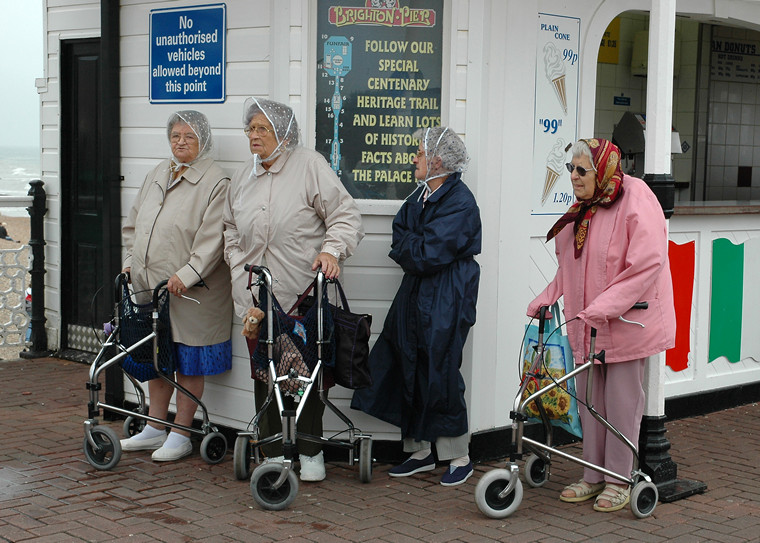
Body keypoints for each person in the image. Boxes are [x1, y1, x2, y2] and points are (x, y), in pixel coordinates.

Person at [527, 138, 676, 512]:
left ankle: (619, 480)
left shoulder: (635, 197)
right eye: (570, 170)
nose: (573, 177)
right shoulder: (583, 210)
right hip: (588, 325)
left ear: (604, 170)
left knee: (621, 402)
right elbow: (571, 268)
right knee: (589, 399)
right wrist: (549, 295)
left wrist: (604, 306)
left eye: (581, 170)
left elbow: (647, 262)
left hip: (626, 322)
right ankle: (592, 475)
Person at [223, 97, 364, 482]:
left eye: (262, 129)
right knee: (264, 371)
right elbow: (230, 228)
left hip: (302, 289)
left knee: (308, 371)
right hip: (258, 295)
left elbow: (345, 214)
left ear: (283, 133)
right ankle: (270, 450)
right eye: (250, 128)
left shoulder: (309, 166)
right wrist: (238, 265)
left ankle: (311, 449)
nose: (253, 136)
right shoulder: (243, 177)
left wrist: (331, 250)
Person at [351, 126, 482, 487]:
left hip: (447, 293)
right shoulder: (424, 196)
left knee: (439, 367)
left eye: (420, 154)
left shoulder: (460, 202)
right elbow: (402, 236)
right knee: (406, 359)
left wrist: (413, 247)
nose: (414, 159)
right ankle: (420, 451)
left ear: (438, 160)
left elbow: (423, 253)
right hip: (417, 291)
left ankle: (459, 455)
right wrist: (414, 247)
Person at [120, 110, 233, 462]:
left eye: (189, 136)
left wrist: (187, 274)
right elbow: (134, 225)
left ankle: (181, 433)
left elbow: (213, 239)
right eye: (175, 136)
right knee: (158, 357)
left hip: (191, 294)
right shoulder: (158, 172)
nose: (180, 142)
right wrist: (129, 263)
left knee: (187, 360)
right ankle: (155, 427)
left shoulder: (217, 181)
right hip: (150, 287)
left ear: (204, 140)